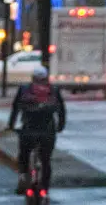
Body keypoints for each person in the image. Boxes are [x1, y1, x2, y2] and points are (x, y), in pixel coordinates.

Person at [6, 64, 67, 198]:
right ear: (46, 78)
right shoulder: (54, 90)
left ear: (32, 77)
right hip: (47, 131)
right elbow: (61, 110)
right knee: (46, 161)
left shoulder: (24, 89)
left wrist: (11, 125)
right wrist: (60, 126)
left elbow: (15, 108)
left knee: (24, 155)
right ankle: (44, 190)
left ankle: (23, 177)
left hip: (28, 129)